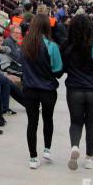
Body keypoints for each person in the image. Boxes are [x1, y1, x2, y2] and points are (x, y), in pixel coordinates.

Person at [61, 14, 93, 171]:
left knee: (75, 123)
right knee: (91, 124)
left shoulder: (65, 46)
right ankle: (89, 158)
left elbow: (61, 68)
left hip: (74, 90)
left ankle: (75, 147)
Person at [20, 14, 63, 169]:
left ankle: (33, 157)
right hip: (48, 89)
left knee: (32, 122)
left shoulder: (24, 44)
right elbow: (58, 70)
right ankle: (47, 149)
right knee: (48, 118)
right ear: (47, 27)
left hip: (29, 89)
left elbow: (22, 66)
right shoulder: (51, 46)